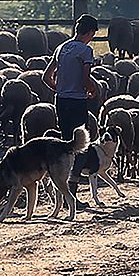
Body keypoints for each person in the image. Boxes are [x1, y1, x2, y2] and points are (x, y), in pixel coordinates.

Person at [43, 14, 99, 201]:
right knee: (81, 146)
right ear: (90, 32)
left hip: (60, 101)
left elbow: (46, 76)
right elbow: (85, 79)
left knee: (66, 144)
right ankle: (72, 193)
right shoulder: (85, 51)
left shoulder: (61, 48)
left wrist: (60, 89)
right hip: (77, 102)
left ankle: (62, 192)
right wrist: (91, 90)